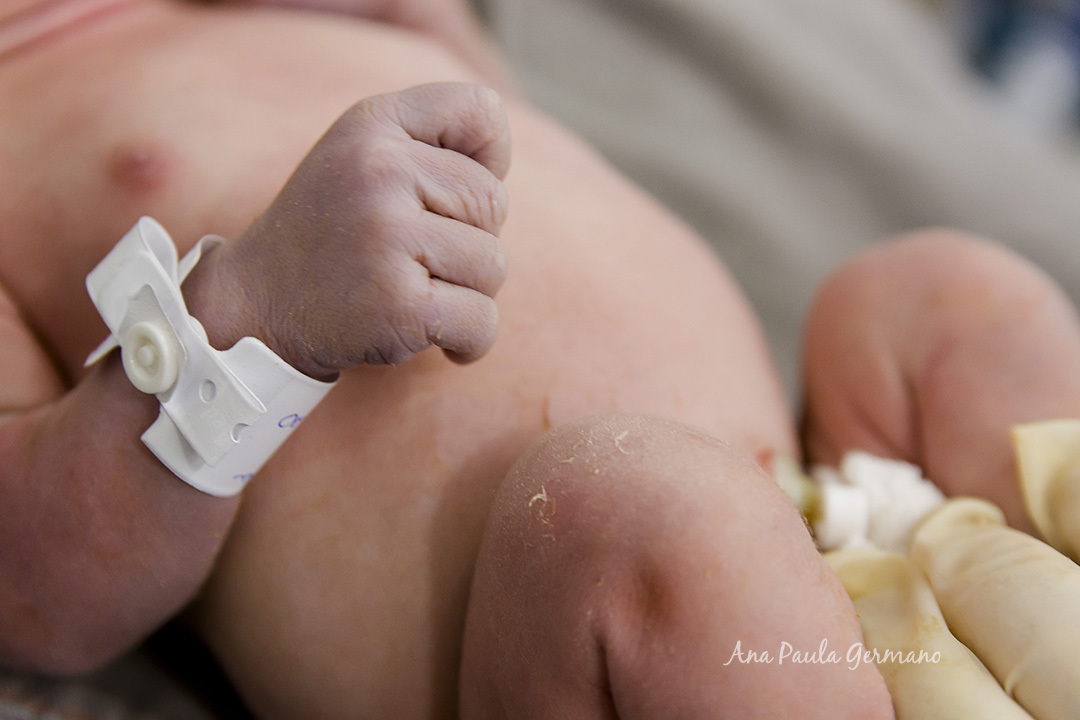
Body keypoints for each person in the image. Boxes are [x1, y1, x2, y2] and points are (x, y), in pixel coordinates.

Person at [0, 1, 1074, 719]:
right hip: (570, 623)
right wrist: (251, 320)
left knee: (942, 295)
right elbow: (43, 598)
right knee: (647, 509)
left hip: (839, 493)